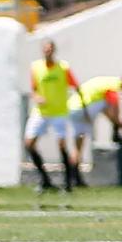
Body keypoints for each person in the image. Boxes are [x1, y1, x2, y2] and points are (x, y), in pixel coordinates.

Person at [25, 38, 82, 194]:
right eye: (45, 49)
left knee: (62, 145)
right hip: (42, 112)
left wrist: (79, 106)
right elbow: (34, 89)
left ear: (54, 50)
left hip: (59, 112)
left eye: (50, 49)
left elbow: (76, 86)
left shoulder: (63, 68)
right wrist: (37, 97)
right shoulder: (36, 67)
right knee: (29, 144)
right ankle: (45, 179)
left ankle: (68, 182)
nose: (48, 51)